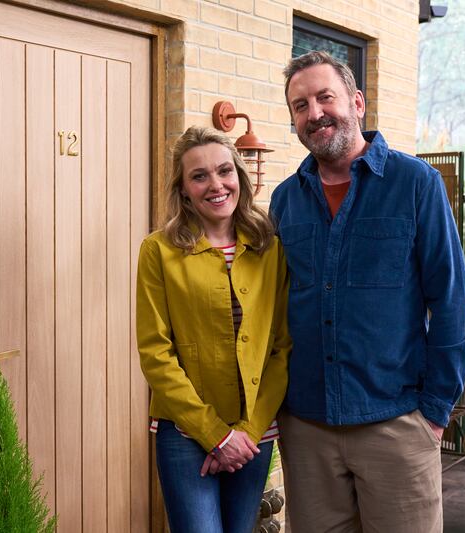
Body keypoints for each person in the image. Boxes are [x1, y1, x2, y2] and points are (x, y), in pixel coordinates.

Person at [270, 51, 465, 533]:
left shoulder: (415, 184)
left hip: (397, 422)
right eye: (300, 106)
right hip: (307, 428)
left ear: (356, 102)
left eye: (325, 97)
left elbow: (451, 303)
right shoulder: (284, 200)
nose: (315, 113)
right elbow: (273, 308)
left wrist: (434, 412)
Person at [136, 126, 291, 533]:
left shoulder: (269, 246)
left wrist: (246, 434)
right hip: (185, 432)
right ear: (183, 190)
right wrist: (216, 435)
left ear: (239, 176)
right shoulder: (159, 250)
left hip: (253, 432)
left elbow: (280, 348)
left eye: (225, 171)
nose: (216, 184)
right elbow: (156, 353)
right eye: (199, 176)